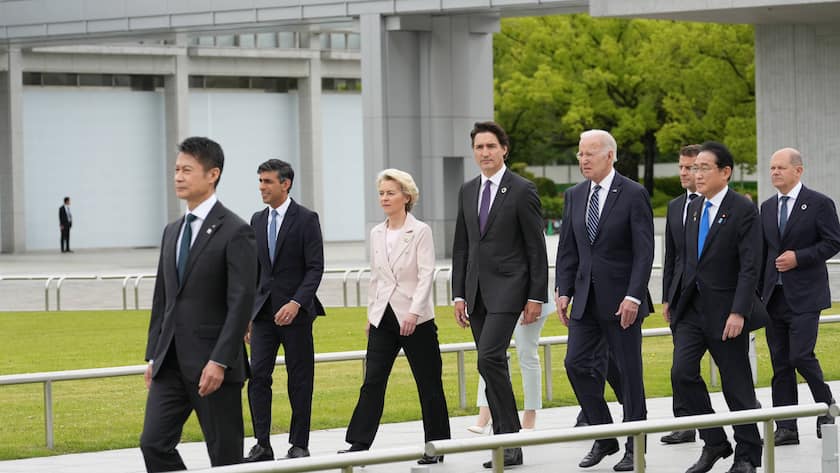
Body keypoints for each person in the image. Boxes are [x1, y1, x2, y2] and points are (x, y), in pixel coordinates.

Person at [140, 137, 257, 472]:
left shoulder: (236, 231)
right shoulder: (172, 231)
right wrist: (154, 354)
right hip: (170, 364)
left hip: (214, 366)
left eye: (187, 170)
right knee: (153, 444)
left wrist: (219, 360)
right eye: (176, 169)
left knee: (226, 458)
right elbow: (163, 298)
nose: (178, 176)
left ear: (212, 174)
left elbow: (240, 304)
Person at [554, 129, 653, 472]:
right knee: (575, 364)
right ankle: (605, 434)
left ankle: (634, 447)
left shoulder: (633, 194)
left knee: (629, 374)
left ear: (610, 156)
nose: (583, 160)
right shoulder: (575, 195)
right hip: (584, 300)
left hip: (622, 302)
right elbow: (567, 248)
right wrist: (563, 290)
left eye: (590, 154)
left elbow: (644, 252)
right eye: (580, 154)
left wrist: (633, 296)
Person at [452, 121, 548, 469]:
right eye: (479, 147)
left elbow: (536, 248)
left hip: (511, 289)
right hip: (476, 292)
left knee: (489, 358)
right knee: (491, 363)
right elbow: (462, 246)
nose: (485, 153)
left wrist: (536, 295)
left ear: (504, 149)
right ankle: (507, 442)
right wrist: (458, 294)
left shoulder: (522, 190)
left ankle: (508, 441)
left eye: (491, 146)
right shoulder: (467, 190)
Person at [339, 169, 451, 465]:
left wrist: (414, 312)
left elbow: (427, 275)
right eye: (381, 193)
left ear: (407, 197)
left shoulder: (421, 231)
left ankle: (436, 446)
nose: (384, 198)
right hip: (383, 318)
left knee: (429, 382)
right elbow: (377, 277)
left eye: (390, 192)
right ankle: (359, 444)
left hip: (416, 318)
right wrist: (370, 315)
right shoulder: (377, 233)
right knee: (372, 381)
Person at [670, 141, 767, 473]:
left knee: (736, 385)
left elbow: (750, 266)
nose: (696, 174)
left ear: (725, 172)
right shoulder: (693, 208)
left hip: (727, 313)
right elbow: (683, 259)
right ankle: (714, 443)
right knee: (681, 374)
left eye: (703, 168)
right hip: (691, 310)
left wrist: (739, 311)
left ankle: (748, 455)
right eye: (693, 168)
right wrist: (671, 297)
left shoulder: (743, 209)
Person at [244, 159, 325, 462]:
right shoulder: (256, 220)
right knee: (258, 378)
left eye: (267, 181)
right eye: (260, 182)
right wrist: (246, 317)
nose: (262, 188)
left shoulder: (306, 219)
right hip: (263, 315)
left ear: (285, 183)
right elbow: (253, 271)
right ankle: (261, 443)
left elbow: (315, 268)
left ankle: (299, 443)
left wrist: (296, 303)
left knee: (300, 379)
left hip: (297, 315)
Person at [759, 147, 840, 445]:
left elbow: (833, 241)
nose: (775, 172)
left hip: (805, 295)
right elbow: (763, 250)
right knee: (780, 363)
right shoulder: (767, 207)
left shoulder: (818, 203)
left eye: (780, 167)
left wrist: (799, 257)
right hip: (773, 297)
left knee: (800, 355)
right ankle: (787, 427)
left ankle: (826, 405)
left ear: (798, 170)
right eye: (771, 168)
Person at [660, 144, 702, 445]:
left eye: (689, 167)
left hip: (718, 302)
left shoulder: (725, 205)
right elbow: (671, 256)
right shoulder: (675, 206)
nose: (684, 173)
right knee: (681, 368)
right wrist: (667, 297)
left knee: (732, 369)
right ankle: (685, 422)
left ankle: (747, 417)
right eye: (681, 167)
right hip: (682, 302)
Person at [467, 295, 553, 434]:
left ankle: (530, 416)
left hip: (528, 298)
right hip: (497, 299)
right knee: (490, 357)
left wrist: (535, 299)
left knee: (527, 354)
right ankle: (484, 413)